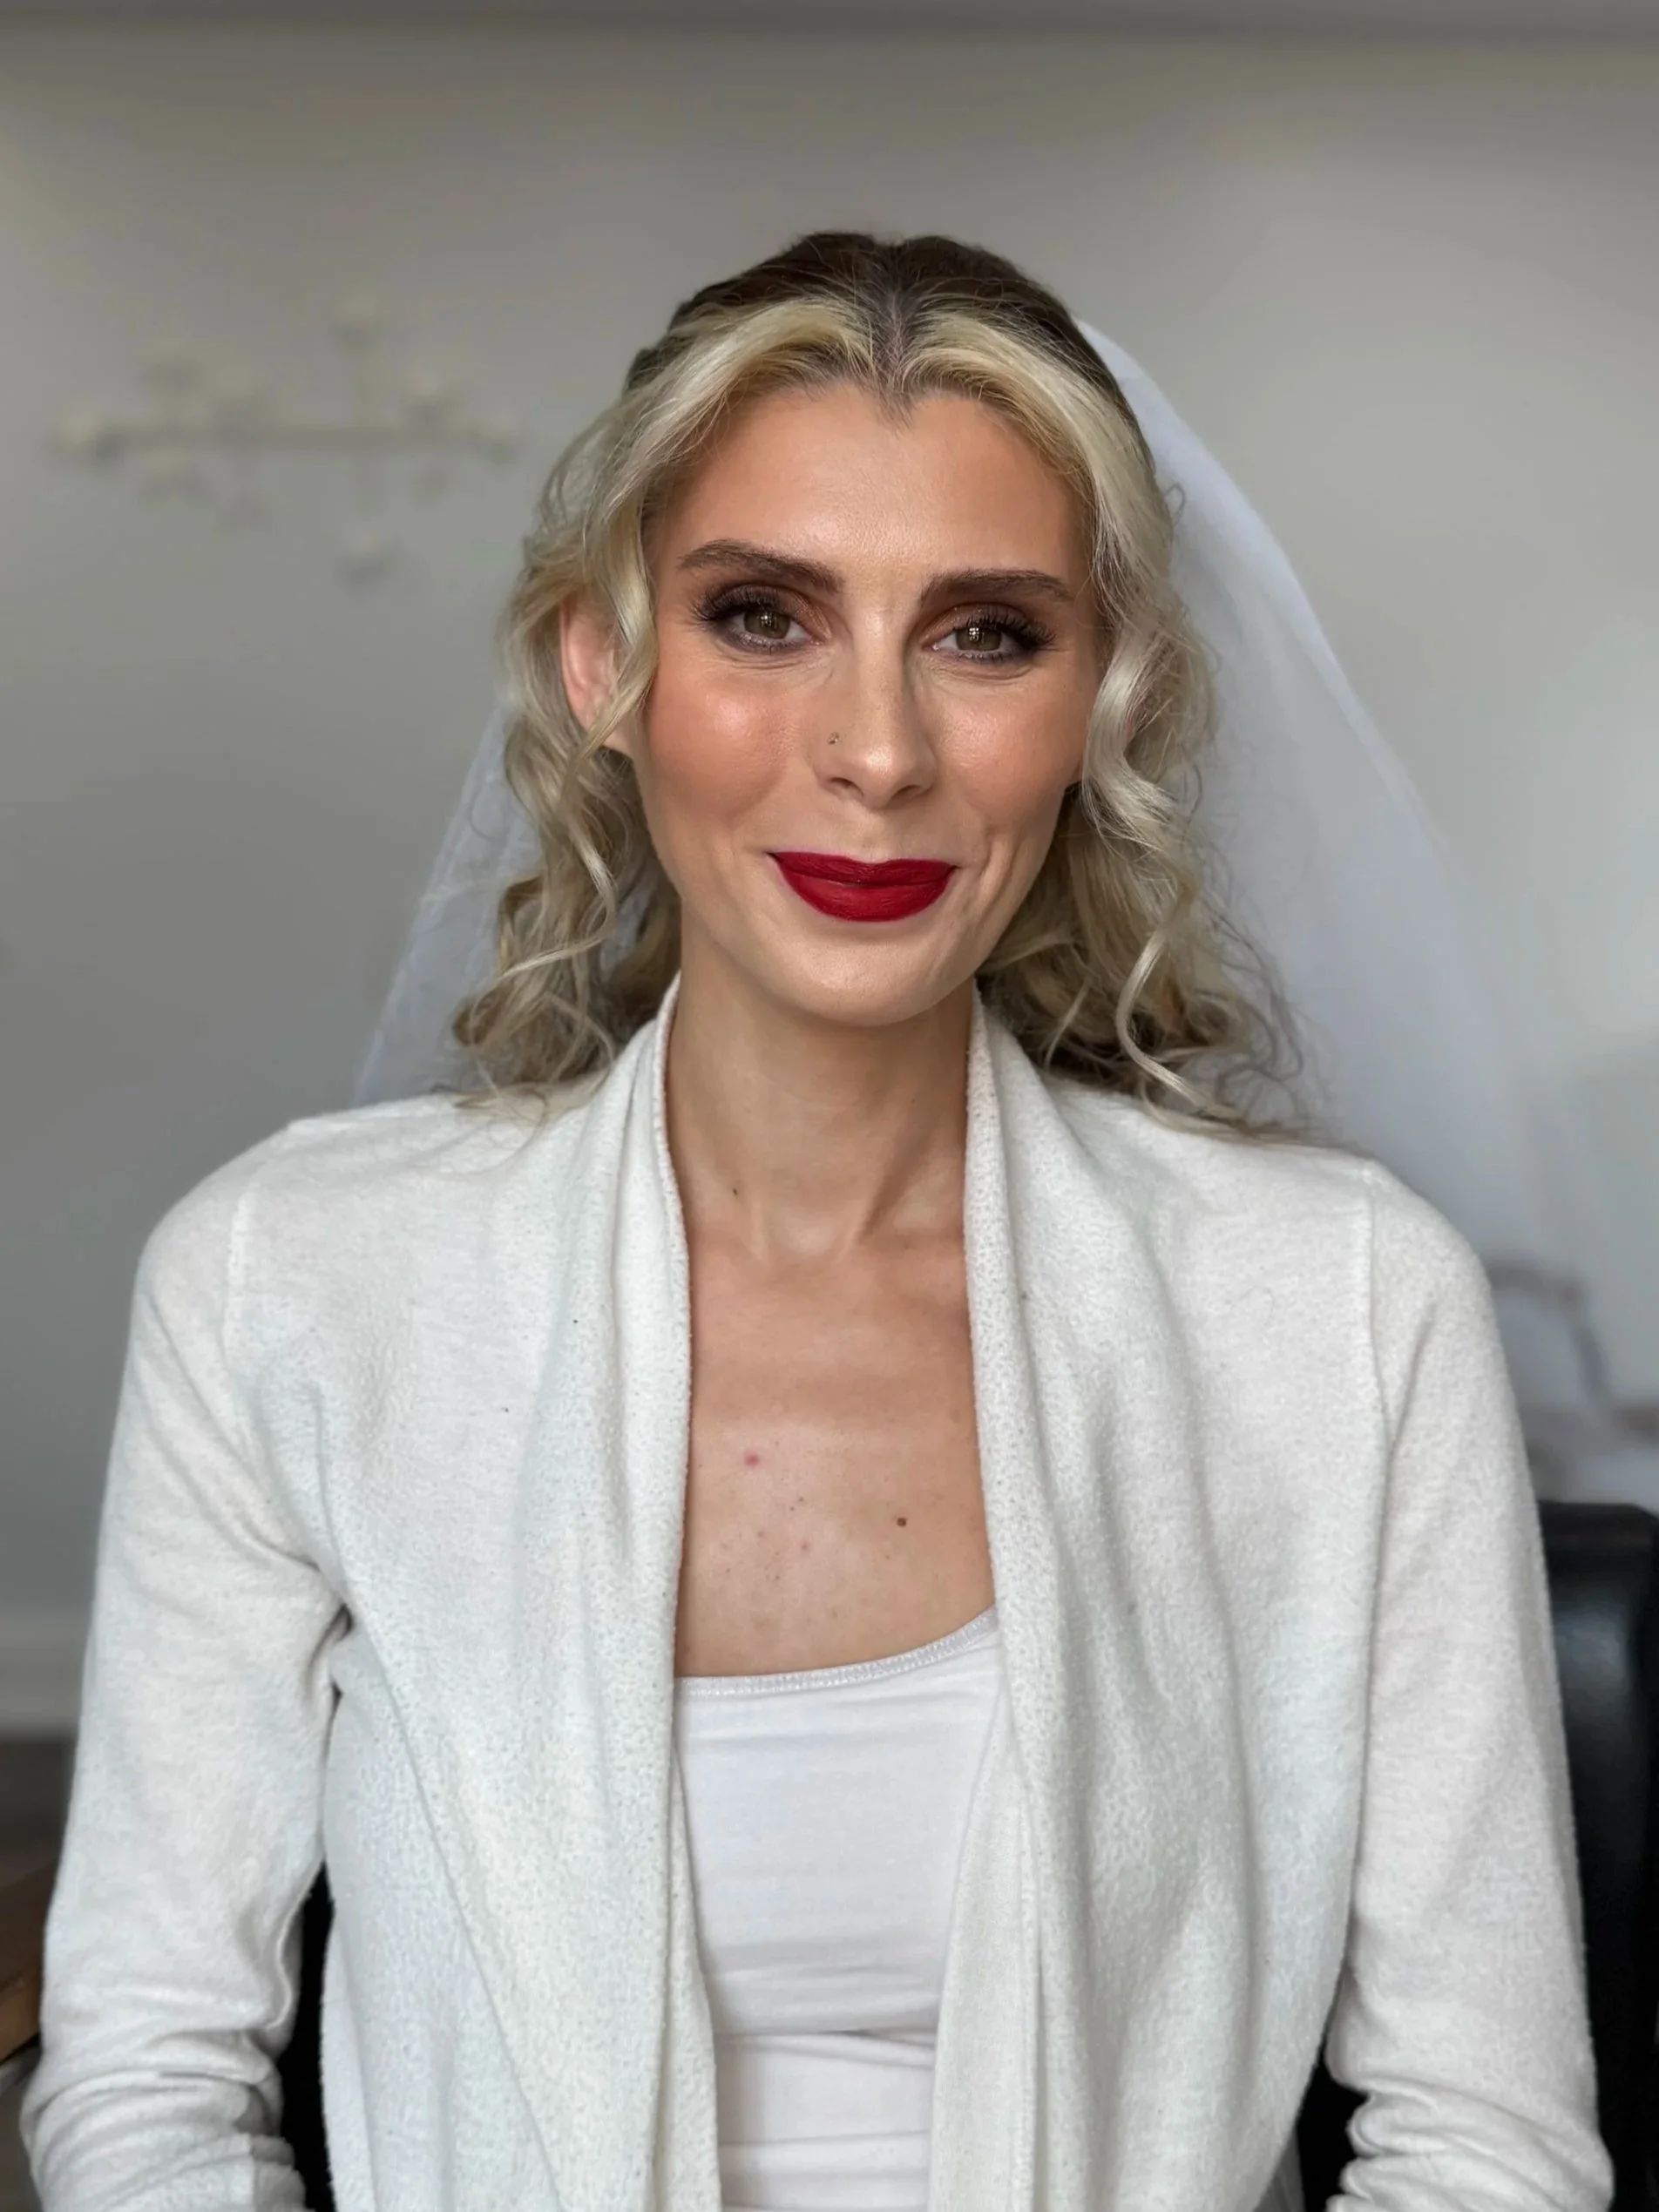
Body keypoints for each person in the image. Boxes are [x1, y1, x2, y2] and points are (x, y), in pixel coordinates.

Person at [22, 232, 1613, 2212]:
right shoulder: (293, 1287)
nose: (875, 753)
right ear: (604, 667)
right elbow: (147, 2080)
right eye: (765, 617)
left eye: (985, 634)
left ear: (1099, 703)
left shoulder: (1346, 1311)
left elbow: (1486, 2142)